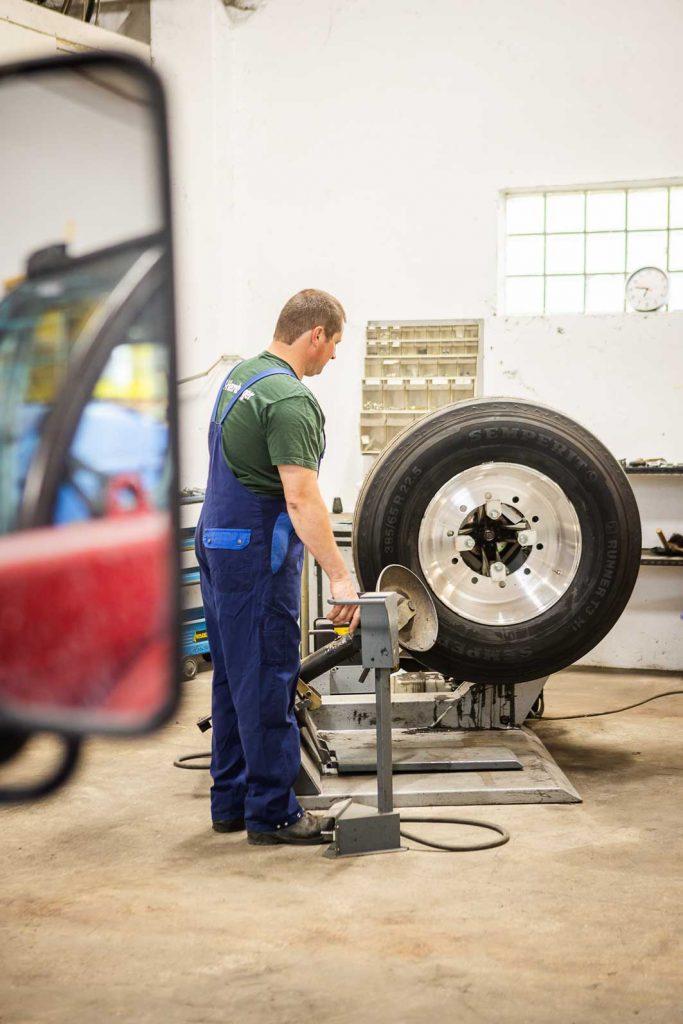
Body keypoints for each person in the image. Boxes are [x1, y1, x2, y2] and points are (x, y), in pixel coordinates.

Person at [195, 289, 360, 846]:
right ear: (316, 334)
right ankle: (273, 813)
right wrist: (340, 574)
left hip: (216, 541)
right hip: (253, 555)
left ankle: (231, 801)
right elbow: (301, 498)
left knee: (231, 678)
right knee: (267, 677)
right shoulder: (290, 399)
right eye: (335, 343)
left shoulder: (240, 377)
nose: (333, 356)